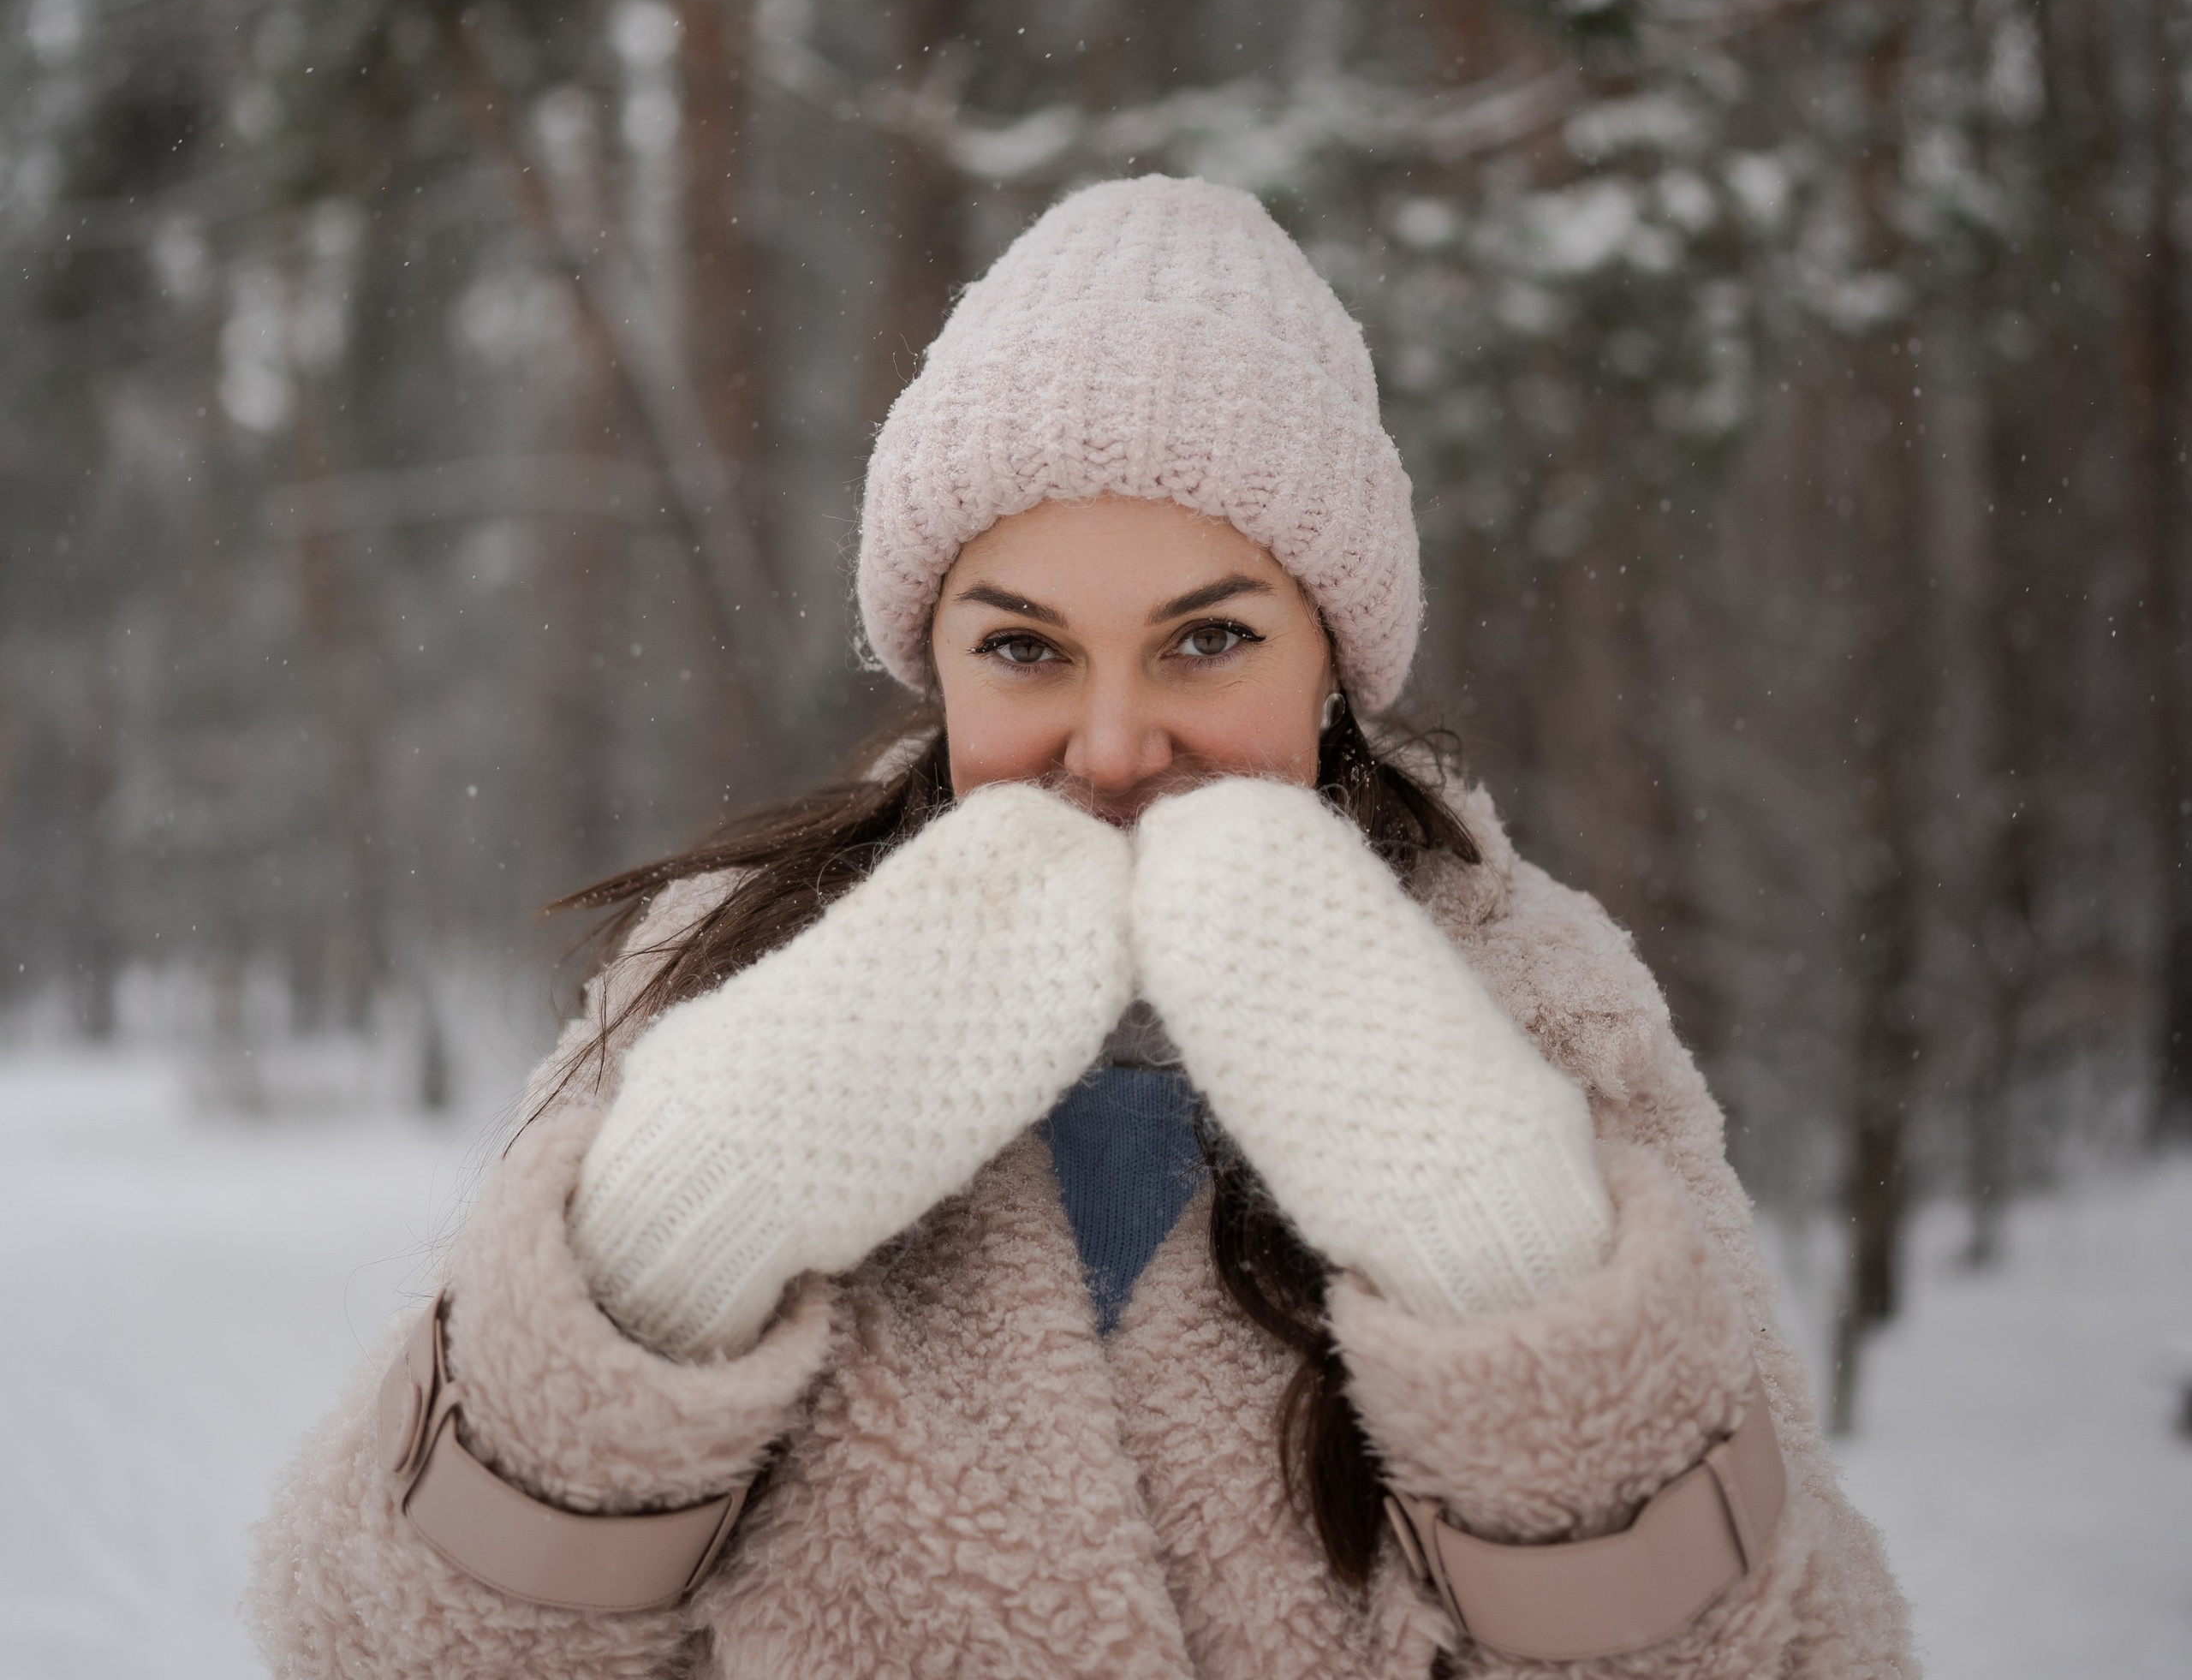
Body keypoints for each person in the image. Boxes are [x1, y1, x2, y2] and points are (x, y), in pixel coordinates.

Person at [250, 176, 1915, 1679]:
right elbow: (368, 1642)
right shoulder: (725, 978)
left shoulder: (1542, 1008)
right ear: (935, 662)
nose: (1112, 745)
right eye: (1025, 649)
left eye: (1207, 641)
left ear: (1333, 662)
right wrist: (665, 1247)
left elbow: (1802, 1653)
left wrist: (1507, 1264)